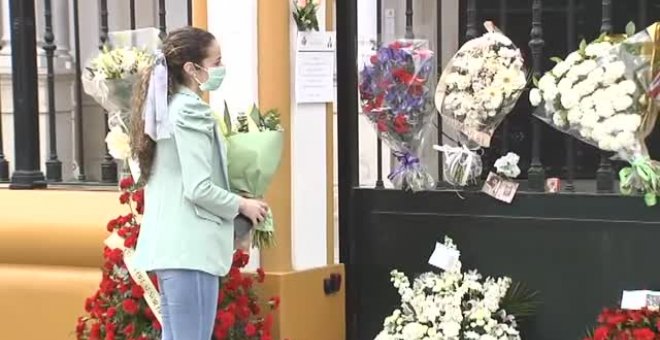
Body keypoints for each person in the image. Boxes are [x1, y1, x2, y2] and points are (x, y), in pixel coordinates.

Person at [129, 26, 269, 340]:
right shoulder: (189, 111)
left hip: (174, 249)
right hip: (190, 250)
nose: (221, 69)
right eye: (216, 62)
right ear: (192, 69)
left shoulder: (165, 110)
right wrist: (244, 204)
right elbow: (198, 188)